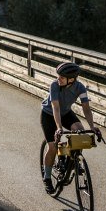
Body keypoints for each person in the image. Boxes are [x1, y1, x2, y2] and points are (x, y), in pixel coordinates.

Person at [40, 62, 99, 194]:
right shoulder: (55, 85)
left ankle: (71, 158)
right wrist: (59, 128)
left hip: (66, 113)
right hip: (49, 115)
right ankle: (47, 177)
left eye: (61, 77)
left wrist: (92, 126)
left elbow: (86, 109)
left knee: (81, 133)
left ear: (71, 79)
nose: (58, 79)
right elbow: (55, 107)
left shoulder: (80, 88)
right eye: (58, 76)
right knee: (52, 147)